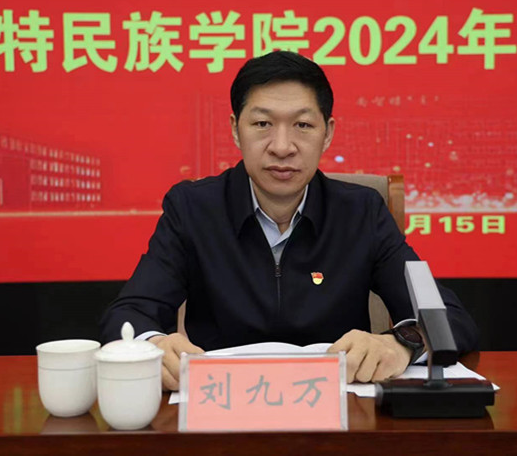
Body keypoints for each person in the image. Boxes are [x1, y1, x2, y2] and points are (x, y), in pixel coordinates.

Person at [100, 51, 478, 391]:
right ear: (235, 129)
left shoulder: (362, 212)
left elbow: (450, 319)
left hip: (338, 412)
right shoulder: (193, 208)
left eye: (303, 125)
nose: (282, 147)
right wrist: (154, 345)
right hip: (222, 409)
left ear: (327, 133)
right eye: (262, 124)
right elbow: (126, 316)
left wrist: (400, 343)